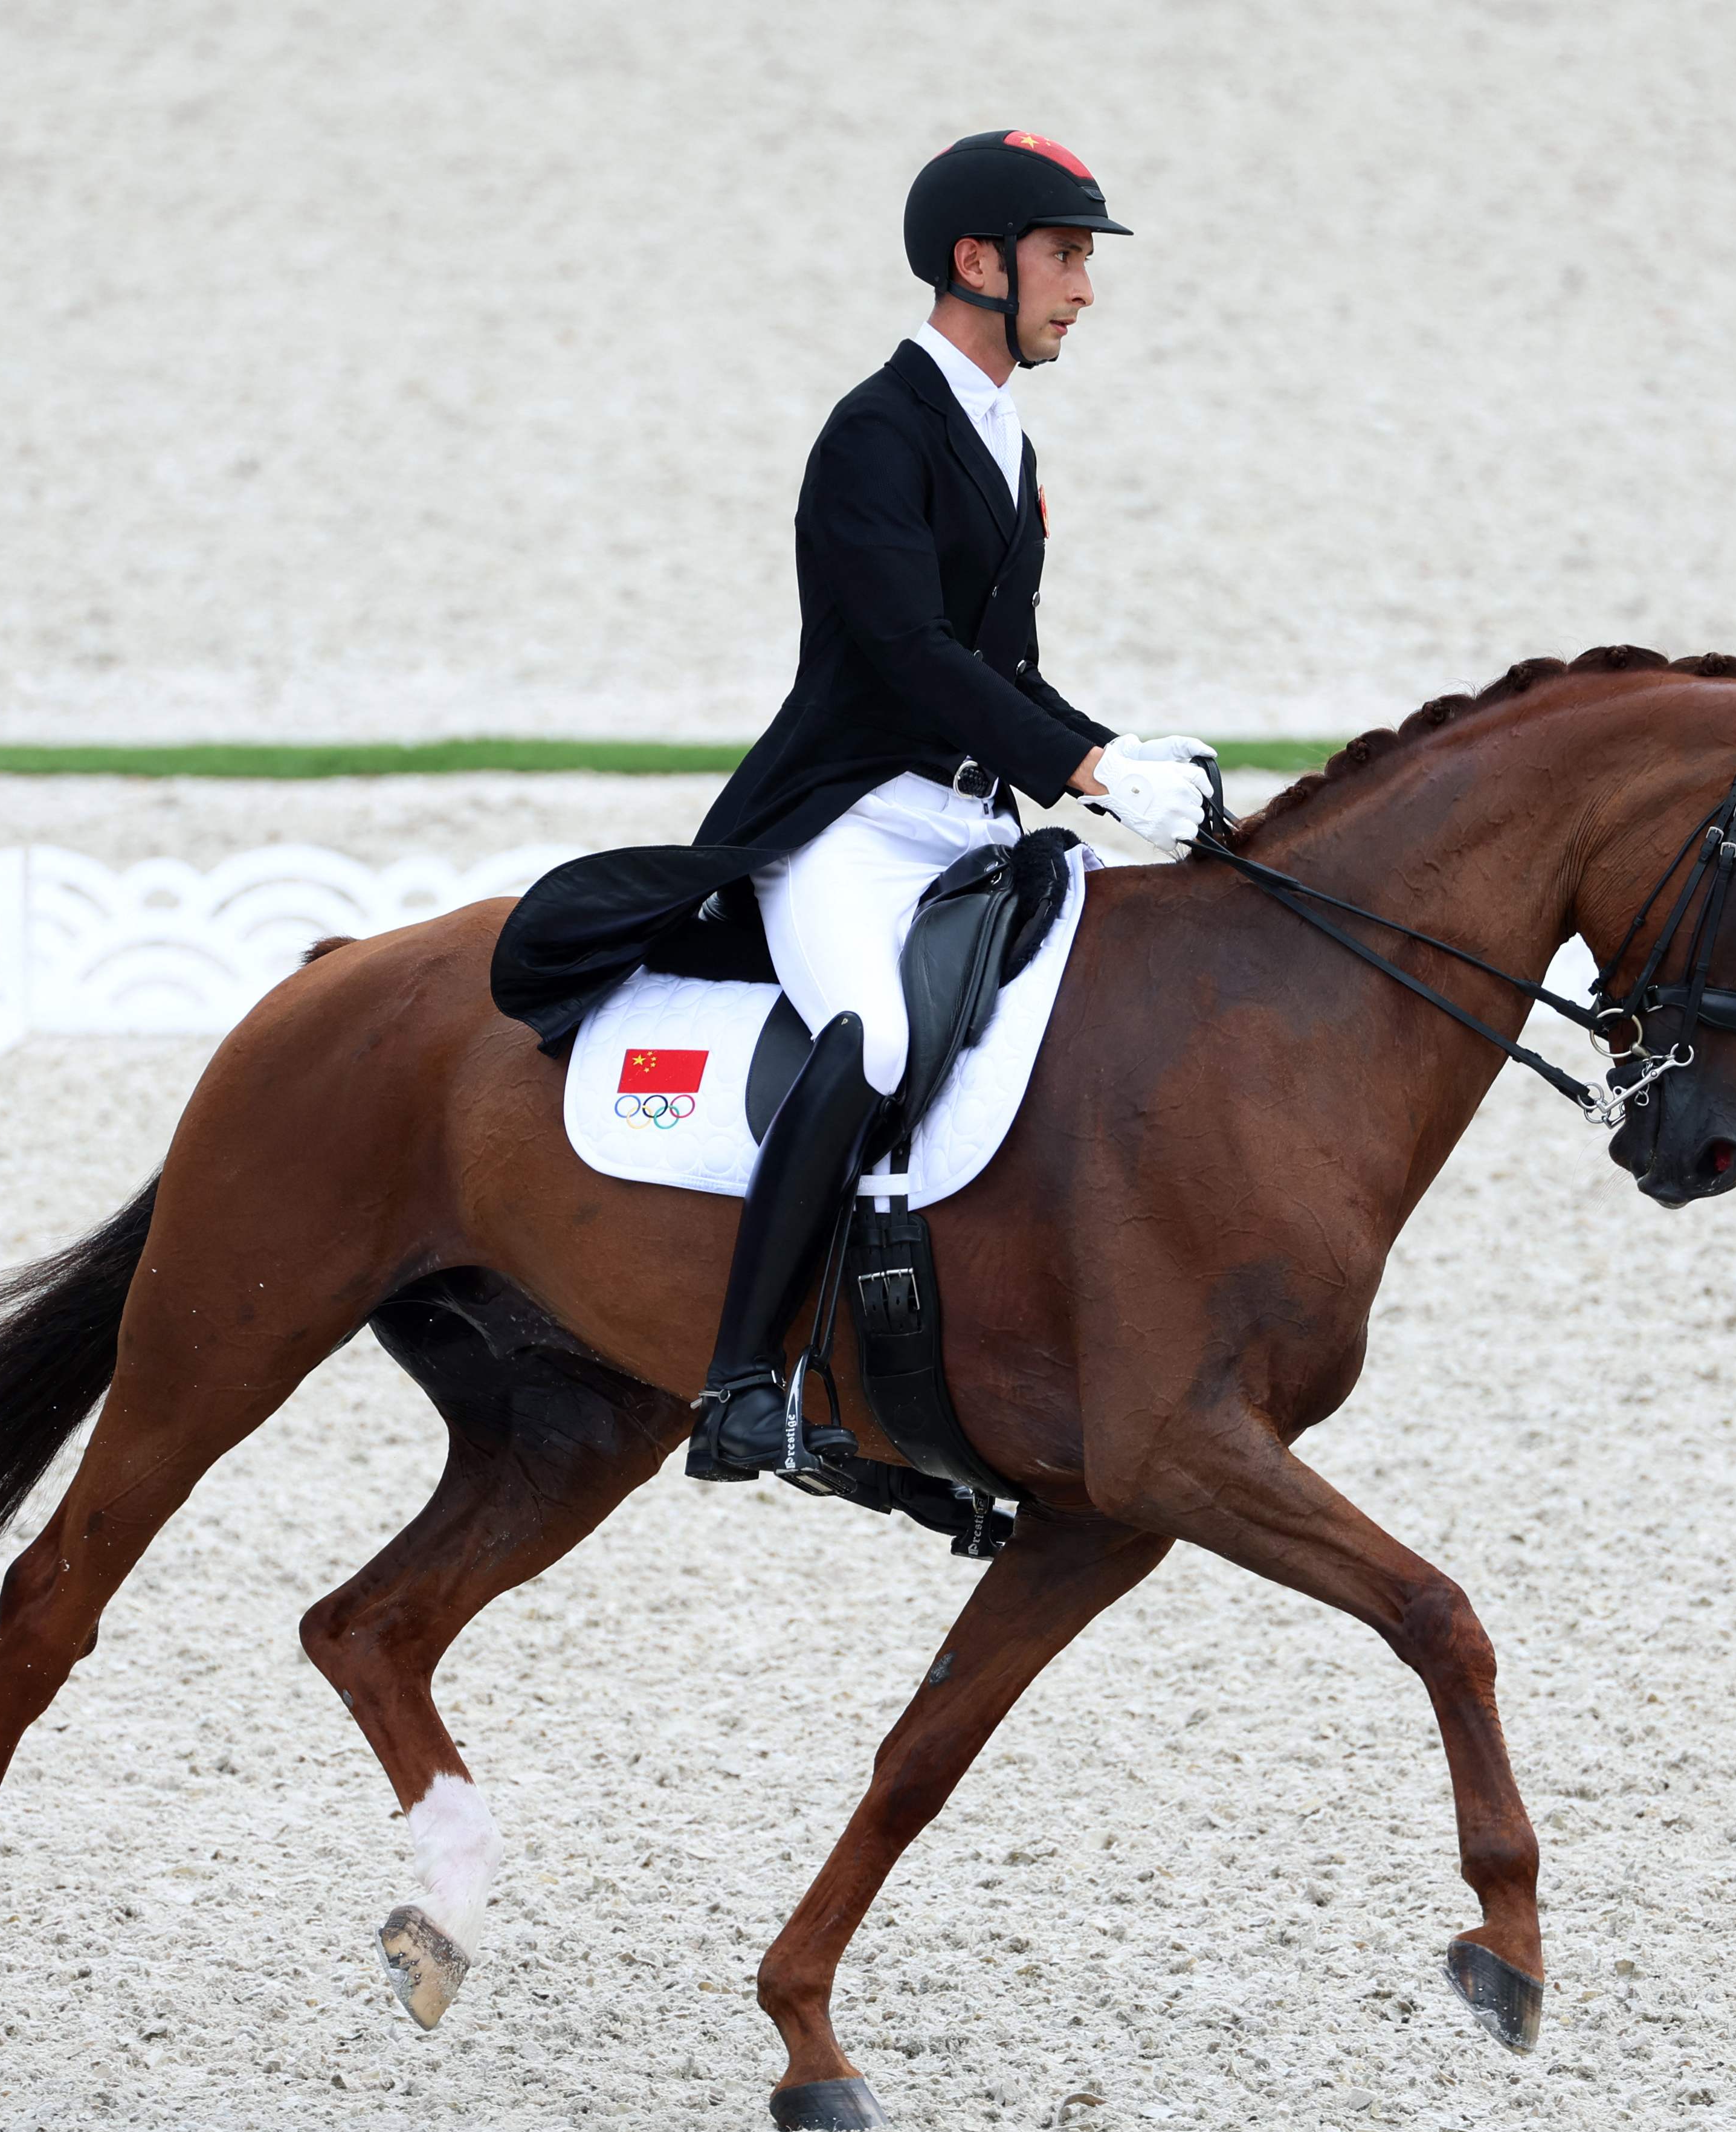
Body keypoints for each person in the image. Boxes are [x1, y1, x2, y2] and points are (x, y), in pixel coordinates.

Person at [486, 130, 1215, 1481]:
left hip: (963, 825)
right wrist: (1097, 775)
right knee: (871, 1038)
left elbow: (1005, 671)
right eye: (1064, 257)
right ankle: (744, 1381)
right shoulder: (877, 431)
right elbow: (908, 655)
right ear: (976, 262)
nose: (1084, 290)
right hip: (847, 824)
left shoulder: (1005, 438)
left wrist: (1121, 751)